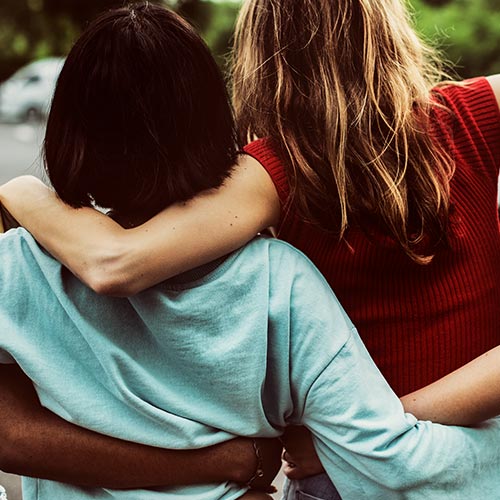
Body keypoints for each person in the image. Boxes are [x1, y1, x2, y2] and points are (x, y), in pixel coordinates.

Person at [1, 0, 500, 498]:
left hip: (349, 463)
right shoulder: (277, 274)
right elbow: (383, 445)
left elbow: (115, 264)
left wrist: (21, 190)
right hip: (406, 456)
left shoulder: (272, 174)